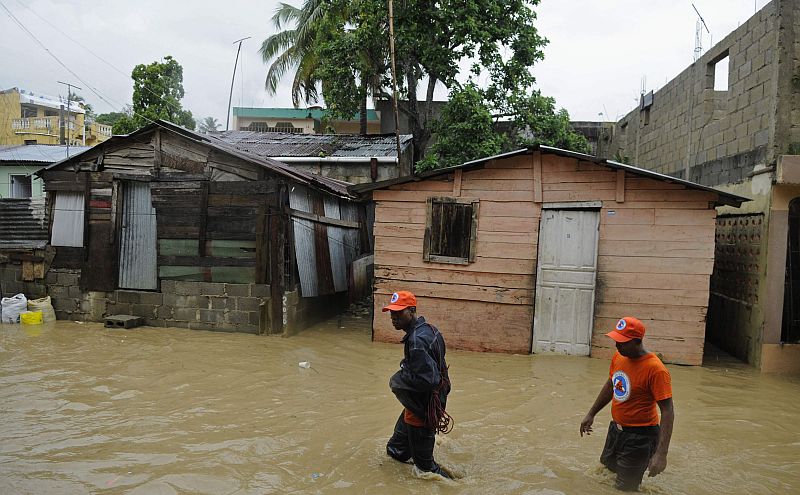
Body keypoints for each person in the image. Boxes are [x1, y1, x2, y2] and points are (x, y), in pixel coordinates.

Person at [579, 316, 674, 492]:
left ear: (637, 342)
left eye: (622, 342)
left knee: (625, 489)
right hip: (616, 430)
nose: (617, 345)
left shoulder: (656, 370)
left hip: (641, 437)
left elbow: (667, 411)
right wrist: (591, 413)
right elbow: (611, 384)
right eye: (616, 340)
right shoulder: (619, 356)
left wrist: (662, 454)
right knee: (605, 474)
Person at [383, 290, 453, 478]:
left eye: (399, 313)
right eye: (391, 313)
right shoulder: (431, 329)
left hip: (423, 407)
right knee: (395, 450)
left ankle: (458, 486)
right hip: (424, 402)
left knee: (425, 471)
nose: (393, 318)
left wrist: (399, 379)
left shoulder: (416, 341)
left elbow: (429, 381)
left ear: (412, 311)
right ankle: (418, 449)